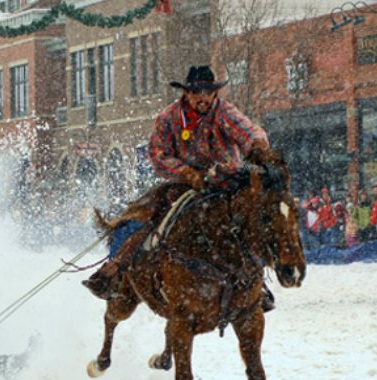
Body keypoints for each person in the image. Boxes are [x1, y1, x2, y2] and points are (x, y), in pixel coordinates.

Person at [82, 65, 273, 309]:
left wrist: (257, 145)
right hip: (182, 185)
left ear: (215, 94)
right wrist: (185, 172)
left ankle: (257, 281)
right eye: (197, 93)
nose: (203, 98)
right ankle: (115, 269)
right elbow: (157, 154)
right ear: (186, 94)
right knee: (141, 218)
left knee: (252, 217)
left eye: (208, 93)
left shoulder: (225, 112)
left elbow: (249, 130)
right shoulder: (169, 117)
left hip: (226, 182)